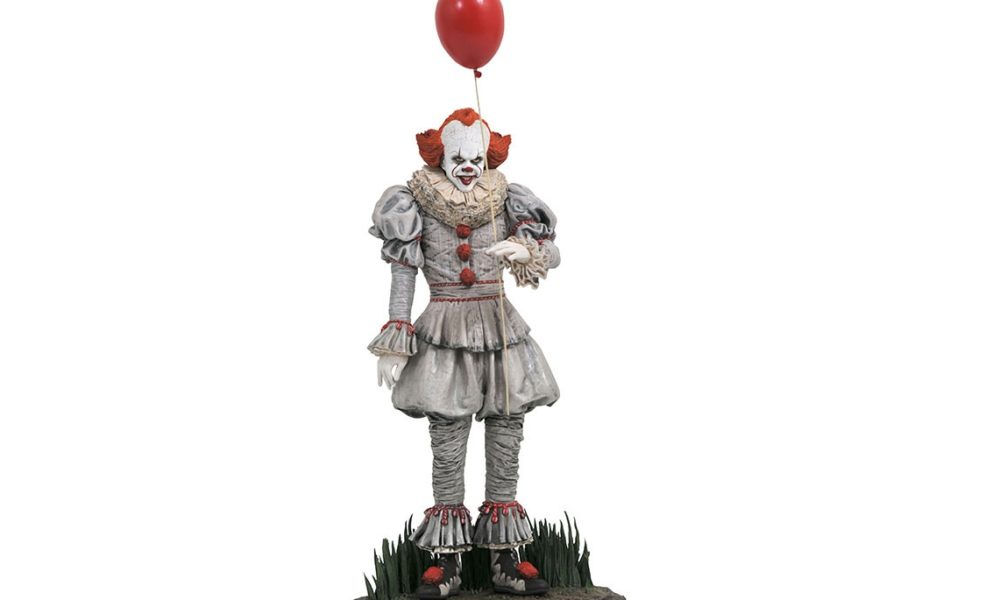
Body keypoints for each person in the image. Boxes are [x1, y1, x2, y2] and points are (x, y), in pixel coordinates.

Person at [367, 108, 561, 597]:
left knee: (507, 428)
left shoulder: (507, 198)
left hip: (498, 325)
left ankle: (504, 555)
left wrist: (527, 251)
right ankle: (447, 559)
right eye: (458, 158)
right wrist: (396, 336)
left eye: (476, 157)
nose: (469, 167)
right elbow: (403, 272)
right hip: (445, 327)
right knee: (448, 435)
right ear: (441, 157)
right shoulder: (415, 202)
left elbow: (553, 251)